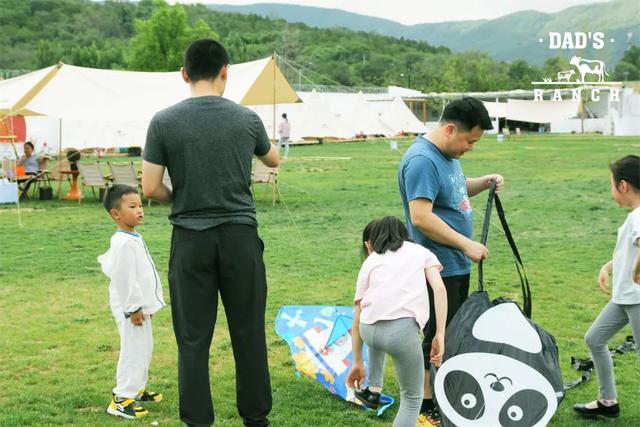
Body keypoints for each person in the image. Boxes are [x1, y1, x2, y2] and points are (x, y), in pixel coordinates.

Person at [141, 39, 279, 427]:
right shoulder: (246, 118)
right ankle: (255, 418)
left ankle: (198, 421)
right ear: (226, 71)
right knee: (248, 332)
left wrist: (182, 195)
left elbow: (150, 187)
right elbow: (273, 158)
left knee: (193, 339)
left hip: (189, 239)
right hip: (240, 237)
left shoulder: (163, 121)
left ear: (184, 74)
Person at [397, 97, 504, 425]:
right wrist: (465, 244)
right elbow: (421, 217)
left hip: (455, 264)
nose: (470, 148)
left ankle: (445, 388)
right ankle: (427, 402)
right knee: (437, 334)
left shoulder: (448, 154)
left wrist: (483, 182)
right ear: (450, 128)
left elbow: (454, 192)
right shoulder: (422, 160)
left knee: (452, 332)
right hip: (437, 266)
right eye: (470, 141)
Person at [346, 216, 448, 427]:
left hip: (369, 330)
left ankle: (373, 389)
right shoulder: (421, 252)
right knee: (412, 398)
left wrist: (357, 361)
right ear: (404, 235)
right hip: (401, 332)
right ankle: (374, 389)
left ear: (373, 241)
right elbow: (439, 288)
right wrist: (439, 334)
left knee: (378, 321)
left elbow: (358, 313)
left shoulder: (371, 260)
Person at [574, 155, 640, 419]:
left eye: (612, 186)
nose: (612, 193)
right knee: (595, 338)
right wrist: (609, 267)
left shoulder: (637, 216)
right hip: (623, 298)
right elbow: (631, 250)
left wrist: (637, 270)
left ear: (623, 185)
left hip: (636, 298)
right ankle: (607, 401)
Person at [98, 184, 166, 419]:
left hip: (139, 306)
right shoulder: (123, 242)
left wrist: (147, 304)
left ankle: (136, 388)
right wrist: (134, 308)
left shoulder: (133, 236)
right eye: (132, 206)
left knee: (144, 347)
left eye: (140, 205)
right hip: (130, 308)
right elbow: (125, 279)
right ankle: (121, 398)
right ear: (115, 214)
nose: (139, 210)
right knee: (133, 350)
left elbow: (141, 276)